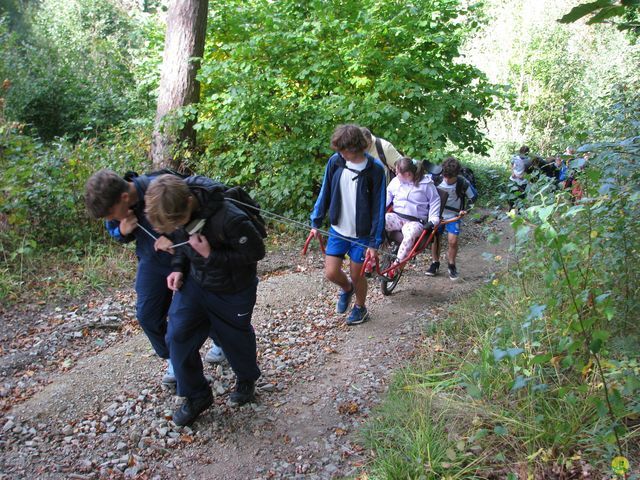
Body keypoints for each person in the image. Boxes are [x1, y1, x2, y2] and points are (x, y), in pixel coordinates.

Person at [84, 169, 226, 387]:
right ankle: (173, 360)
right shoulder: (114, 206)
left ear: (124, 197)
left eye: (111, 214)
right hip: (151, 261)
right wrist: (121, 231)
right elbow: (114, 230)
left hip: (187, 260)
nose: (109, 219)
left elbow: (199, 219)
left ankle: (222, 342)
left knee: (195, 311)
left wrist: (176, 239)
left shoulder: (162, 187)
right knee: (147, 315)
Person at [145, 174, 265, 426]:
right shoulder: (176, 211)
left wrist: (211, 254)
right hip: (195, 284)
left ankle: (246, 379)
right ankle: (196, 394)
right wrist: (178, 267)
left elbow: (256, 252)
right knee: (177, 335)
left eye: (177, 222)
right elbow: (181, 241)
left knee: (235, 336)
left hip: (234, 289)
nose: (176, 226)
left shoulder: (229, 217)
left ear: (189, 202)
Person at [310, 124, 386, 326]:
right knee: (331, 272)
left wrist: (374, 242)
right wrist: (315, 223)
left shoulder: (375, 170)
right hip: (338, 228)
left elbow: (379, 208)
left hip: (362, 234)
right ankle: (347, 289)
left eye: (344, 150)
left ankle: (360, 308)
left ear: (355, 147)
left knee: (357, 273)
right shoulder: (336, 162)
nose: (341, 154)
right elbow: (325, 192)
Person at [385, 157, 440, 270]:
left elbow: (435, 202)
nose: (395, 174)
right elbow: (387, 196)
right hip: (397, 216)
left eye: (397, 172)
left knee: (409, 234)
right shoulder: (396, 181)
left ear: (408, 174)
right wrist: (378, 209)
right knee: (379, 222)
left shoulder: (426, 185)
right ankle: (372, 255)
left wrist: (433, 220)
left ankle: (396, 266)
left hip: (415, 221)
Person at [427, 156, 477, 281]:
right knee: (435, 239)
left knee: (453, 241)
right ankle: (435, 263)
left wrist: (466, 210)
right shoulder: (436, 178)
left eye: (451, 177)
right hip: (437, 214)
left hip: (454, 216)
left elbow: (473, 198)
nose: (447, 179)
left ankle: (451, 265)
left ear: (457, 174)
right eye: (446, 176)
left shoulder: (462, 183)